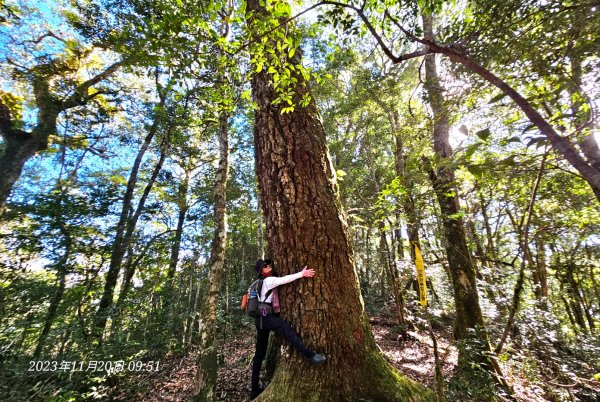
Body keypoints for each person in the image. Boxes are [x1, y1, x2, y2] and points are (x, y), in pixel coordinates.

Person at [250, 258, 326, 399]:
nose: (269, 266)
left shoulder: (257, 283)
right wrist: (302, 274)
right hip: (266, 318)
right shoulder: (268, 281)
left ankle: (254, 389)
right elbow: (284, 280)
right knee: (286, 329)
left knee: (259, 355)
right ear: (262, 271)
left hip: (259, 319)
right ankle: (310, 355)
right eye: (266, 266)